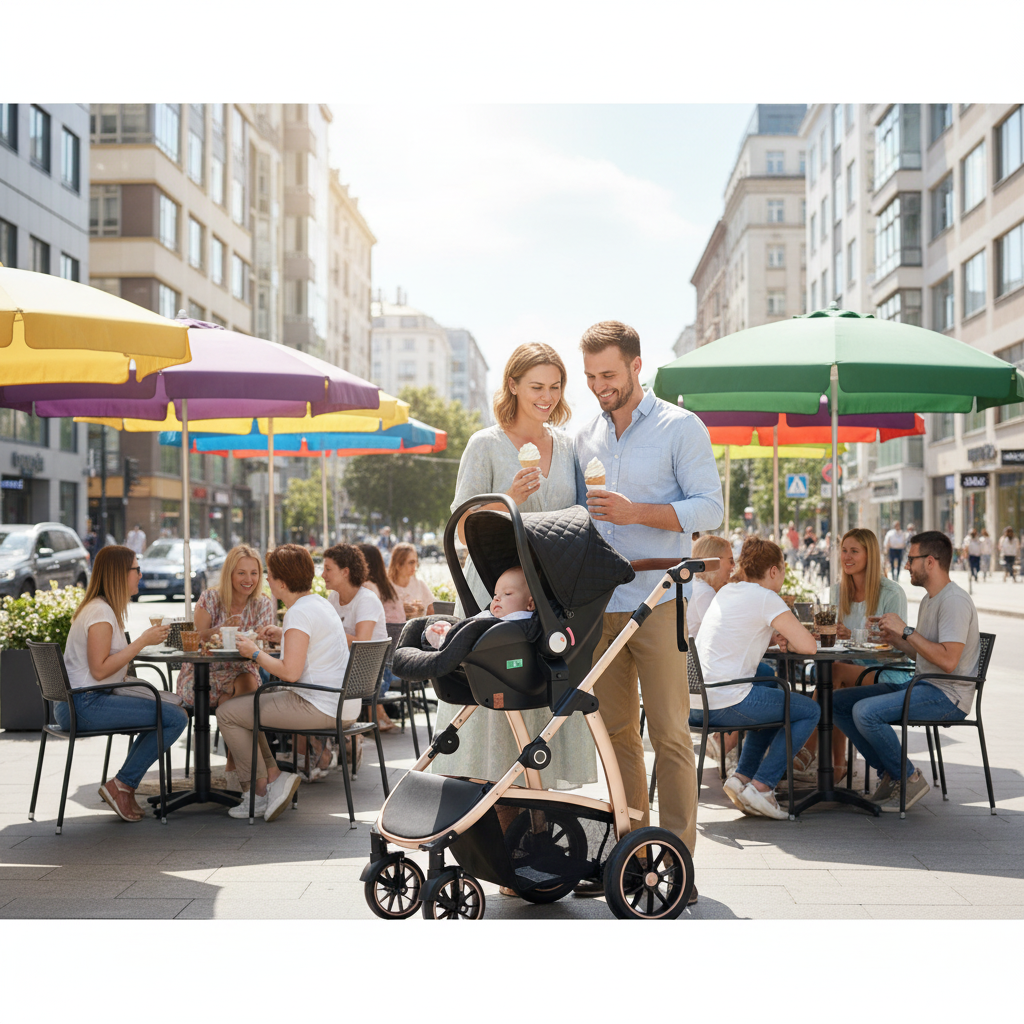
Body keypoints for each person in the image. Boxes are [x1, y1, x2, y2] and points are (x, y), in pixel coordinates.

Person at [575, 319, 724, 889]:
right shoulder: (585, 434)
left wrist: (637, 512)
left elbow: (710, 510)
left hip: (660, 600)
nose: (598, 386)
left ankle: (678, 866)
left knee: (669, 734)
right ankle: (633, 856)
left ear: (638, 366)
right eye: (590, 376)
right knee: (615, 736)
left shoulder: (680, 427)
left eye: (608, 374)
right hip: (600, 605)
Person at [431, 341, 597, 796]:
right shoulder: (485, 444)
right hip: (495, 589)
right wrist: (508, 500)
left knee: (542, 697)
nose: (548, 396)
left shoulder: (566, 447)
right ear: (513, 385)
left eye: (556, 387)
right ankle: (490, 812)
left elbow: (576, 518)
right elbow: (462, 530)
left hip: (547, 593)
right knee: (495, 696)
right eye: (537, 386)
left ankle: (537, 819)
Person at [834, 531, 980, 812]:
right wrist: (895, 638)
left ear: (930, 562)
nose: (905, 565)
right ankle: (890, 772)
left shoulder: (953, 601)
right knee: (838, 703)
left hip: (946, 695)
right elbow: (925, 654)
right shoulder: (930, 599)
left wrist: (908, 631)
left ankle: (908, 777)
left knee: (866, 712)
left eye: (911, 559)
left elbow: (949, 662)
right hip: (923, 684)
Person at [221, 545, 355, 822]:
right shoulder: (318, 603)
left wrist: (254, 653)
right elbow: (316, 642)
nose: (266, 580)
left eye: (269, 575)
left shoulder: (298, 613)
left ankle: (258, 793)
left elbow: (290, 673)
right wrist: (283, 634)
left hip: (319, 705)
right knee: (247, 708)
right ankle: (271, 777)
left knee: (228, 713)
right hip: (343, 703)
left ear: (282, 583)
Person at [693, 537, 820, 819]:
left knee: (769, 701)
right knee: (809, 710)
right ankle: (763, 787)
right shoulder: (766, 597)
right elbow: (809, 646)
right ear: (773, 571)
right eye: (783, 571)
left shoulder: (728, 591)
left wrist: (775, 639)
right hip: (726, 700)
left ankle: (742, 779)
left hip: (697, 700)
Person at [60, 546, 188, 822]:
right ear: (120, 574)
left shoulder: (104, 610)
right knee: (175, 718)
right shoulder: (100, 614)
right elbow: (99, 669)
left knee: (167, 712)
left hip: (84, 700)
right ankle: (121, 785)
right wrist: (142, 641)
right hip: (84, 704)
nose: (141, 575)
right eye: (136, 569)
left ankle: (124, 786)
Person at [790, 528, 907, 782]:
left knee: (832, 674)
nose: (847, 556)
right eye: (844, 550)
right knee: (833, 679)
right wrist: (825, 634)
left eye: (854, 551)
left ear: (870, 555)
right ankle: (836, 766)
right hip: (851, 667)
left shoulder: (891, 592)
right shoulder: (837, 591)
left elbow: (896, 644)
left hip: (888, 672)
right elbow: (834, 640)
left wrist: (849, 635)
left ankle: (811, 752)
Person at [322, 542, 394, 737]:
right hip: (342, 668)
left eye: (328, 569)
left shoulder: (366, 599)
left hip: (368, 675)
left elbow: (362, 643)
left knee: (307, 681)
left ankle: (329, 744)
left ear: (345, 572)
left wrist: (328, 632)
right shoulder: (333, 598)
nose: (322, 575)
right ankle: (321, 745)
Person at [424, 566, 535, 649]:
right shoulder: (487, 615)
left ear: (530, 604)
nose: (496, 599)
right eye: (495, 594)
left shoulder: (528, 623)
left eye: (507, 594)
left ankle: (445, 638)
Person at [387, 543, 435, 618]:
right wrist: (399, 609)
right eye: (411, 562)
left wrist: (422, 611)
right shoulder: (386, 587)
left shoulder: (419, 584)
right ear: (398, 565)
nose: (415, 566)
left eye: (415, 562)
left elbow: (432, 611)